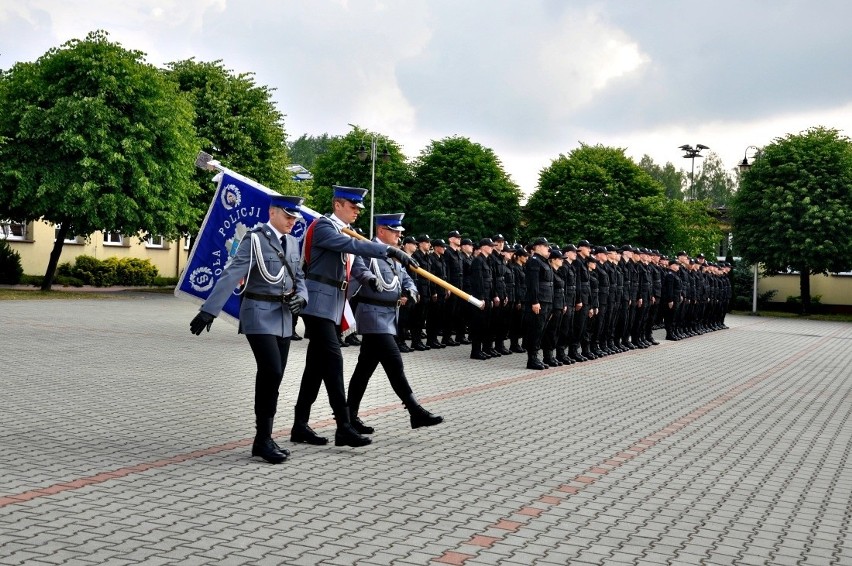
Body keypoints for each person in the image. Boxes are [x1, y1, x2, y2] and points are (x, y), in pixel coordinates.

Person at [290, 186, 417, 448]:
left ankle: (300, 425)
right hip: (317, 304)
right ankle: (343, 427)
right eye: (353, 206)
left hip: (332, 305)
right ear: (338, 205)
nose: (357, 211)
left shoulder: (344, 230)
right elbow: (351, 246)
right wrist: (389, 251)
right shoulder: (326, 227)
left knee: (315, 369)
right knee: (334, 366)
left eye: (359, 208)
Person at [189, 195, 308, 464]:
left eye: (294, 218)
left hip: (284, 317)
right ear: (273, 213)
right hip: (258, 315)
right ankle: (263, 440)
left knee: (275, 378)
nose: (292, 222)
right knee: (271, 370)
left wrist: (303, 296)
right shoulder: (254, 239)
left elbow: (299, 277)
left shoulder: (292, 242)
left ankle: (263, 438)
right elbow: (231, 273)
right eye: (288, 216)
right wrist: (210, 310)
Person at [346, 213, 443, 434]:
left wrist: (411, 290)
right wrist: (370, 279)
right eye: (394, 231)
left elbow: (405, 277)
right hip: (372, 314)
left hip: (389, 317)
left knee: (364, 369)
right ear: (381, 231)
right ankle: (415, 411)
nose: (399, 235)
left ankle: (349, 416)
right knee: (394, 364)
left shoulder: (396, 255)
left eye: (400, 232)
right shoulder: (366, 248)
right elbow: (359, 270)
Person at [524, 237, 554, 370]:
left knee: (541, 330)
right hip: (539, 301)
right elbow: (533, 284)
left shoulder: (544, 262)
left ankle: (536, 357)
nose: (548, 248)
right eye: (545, 246)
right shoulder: (534, 261)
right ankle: (532, 359)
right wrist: (535, 301)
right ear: (538, 247)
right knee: (535, 329)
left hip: (546, 300)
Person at [469, 238, 497, 360]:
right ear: (483, 247)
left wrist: (492, 296)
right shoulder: (477, 261)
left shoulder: (487, 261)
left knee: (485, 325)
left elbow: (489, 281)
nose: (492, 248)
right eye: (490, 246)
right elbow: (478, 281)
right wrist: (481, 298)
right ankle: (475, 351)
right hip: (480, 297)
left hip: (487, 296)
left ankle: (482, 349)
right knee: (478, 325)